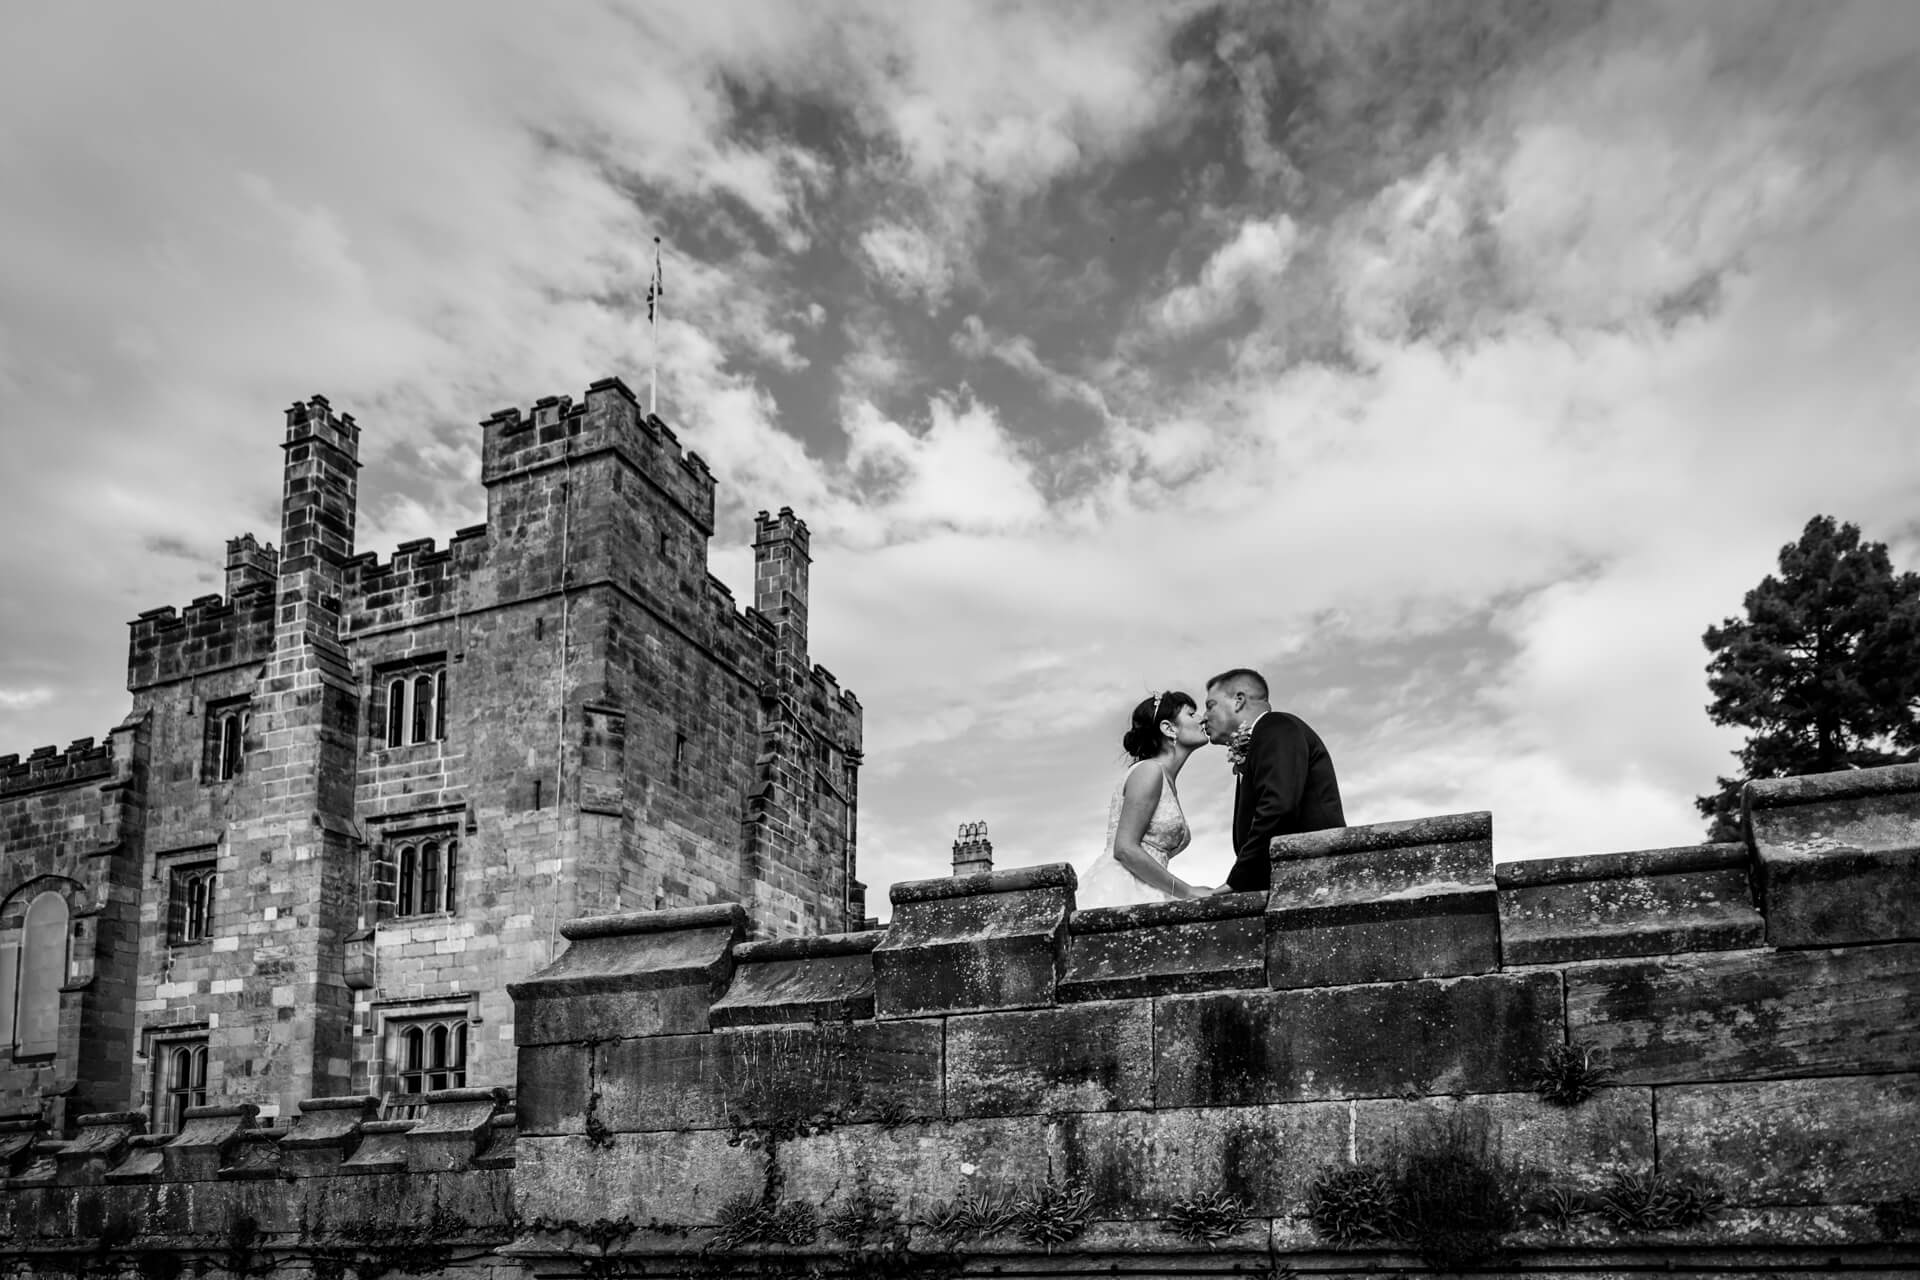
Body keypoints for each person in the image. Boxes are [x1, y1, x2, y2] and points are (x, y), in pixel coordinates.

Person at [1204, 668, 1346, 892]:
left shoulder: (1276, 726)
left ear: (1238, 701)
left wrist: (1238, 880)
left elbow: (1278, 806)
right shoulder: (1260, 740)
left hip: (1312, 881)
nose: (1204, 717)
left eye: (1210, 705)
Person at [1075, 691, 1220, 908]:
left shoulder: (1166, 780)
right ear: (1168, 728)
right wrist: (1187, 891)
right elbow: (1124, 848)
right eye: (1192, 714)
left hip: (1150, 887)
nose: (1202, 719)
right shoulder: (1149, 771)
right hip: (1124, 889)